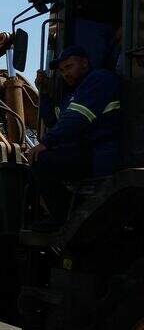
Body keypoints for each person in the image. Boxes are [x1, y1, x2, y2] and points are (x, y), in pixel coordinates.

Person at [29, 46, 122, 226]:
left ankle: (65, 219)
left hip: (99, 153)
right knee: (35, 168)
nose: (65, 74)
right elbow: (54, 121)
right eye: (62, 70)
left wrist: (46, 143)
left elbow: (76, 118)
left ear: (85, 63)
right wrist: (43, 92)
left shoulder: (100, 79)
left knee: (43, 162)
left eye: (69, 67)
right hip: (85, 151)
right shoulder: (74, 95)